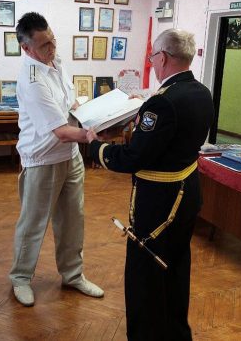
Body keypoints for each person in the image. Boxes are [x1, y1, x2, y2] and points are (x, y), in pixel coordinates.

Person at [87, 29, 214, 340]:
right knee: (176, 266)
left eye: (152, 57)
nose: (152, 63)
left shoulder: (162, 103)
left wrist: (95, 146)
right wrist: (143, 109)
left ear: (164, 58)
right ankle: (176, 333)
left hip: (159, 203)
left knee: (144, 273)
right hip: (186, 193)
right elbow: (171, 133)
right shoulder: (201, 92)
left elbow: (133, 158)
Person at [9, 12, 103, 307]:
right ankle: (20, 278)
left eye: (52, 40)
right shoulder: (32, 80)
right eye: (44, 45)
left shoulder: (56, 62)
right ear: (26, 48)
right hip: (43, 160)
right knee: (33, 224)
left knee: (73, 219)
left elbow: (70, 104)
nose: (51, 48)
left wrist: (98, 115)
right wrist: (92, 136)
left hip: (70, 157)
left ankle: (73, 275)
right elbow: (61, 132)